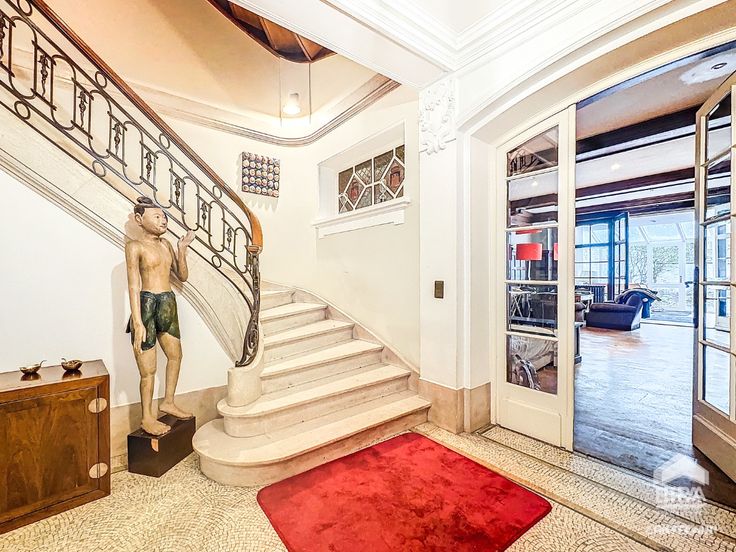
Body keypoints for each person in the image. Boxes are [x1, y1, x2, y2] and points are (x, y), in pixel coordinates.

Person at [125, 196, 195, 435]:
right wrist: (137, 321)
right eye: (156, 216)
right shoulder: (135, 247)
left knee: (176, 355)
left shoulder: (165, 245)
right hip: (146, 304)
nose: (163, 220)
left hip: (167, 302)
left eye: (163, 216)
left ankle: (168, 401)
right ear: (139, 219)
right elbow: (133, 284)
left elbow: (182, 276)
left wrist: (182, 249)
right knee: (148, 369)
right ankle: (147, 417)